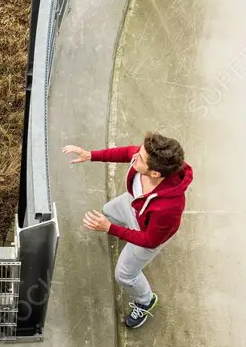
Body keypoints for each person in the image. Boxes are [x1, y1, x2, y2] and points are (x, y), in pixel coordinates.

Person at [62, 132, 193, 328]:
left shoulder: (169, 208)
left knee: (124, 275)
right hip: (134, 205)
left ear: (155, 174)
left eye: (139, 158)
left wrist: (110, 229)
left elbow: (150, 240)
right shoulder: (149, 158)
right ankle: (121, 229)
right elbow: (125, 152)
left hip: (148, 234)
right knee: (108, 211)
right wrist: (90, 155)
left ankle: (145, 300)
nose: (134, 156)